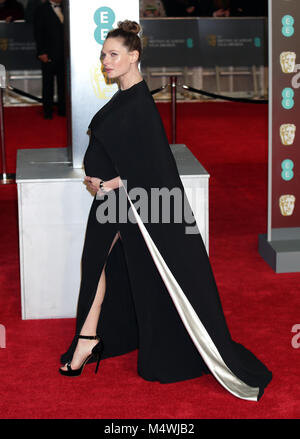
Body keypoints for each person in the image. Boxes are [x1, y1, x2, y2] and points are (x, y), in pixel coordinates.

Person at [59, 20, 272, 401]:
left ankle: (86, 342)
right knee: (102, 267)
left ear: (133, 56)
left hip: (122, 205)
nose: (105, 61)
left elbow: (155, 169)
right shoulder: (125, 98)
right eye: (103, 55)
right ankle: (89, 339)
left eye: (113, 55)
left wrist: (111, 184)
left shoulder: (139, 103)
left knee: (96, 266)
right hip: (112, 203)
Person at [33, 0, 65, 119]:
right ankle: (47, 111)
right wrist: (41, 52)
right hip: (48, 54)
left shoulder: (66, 8)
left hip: (64, 54)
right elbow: (38, 32)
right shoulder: (41, 9)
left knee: (64, 84)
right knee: (48, 84)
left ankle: (63, 110)